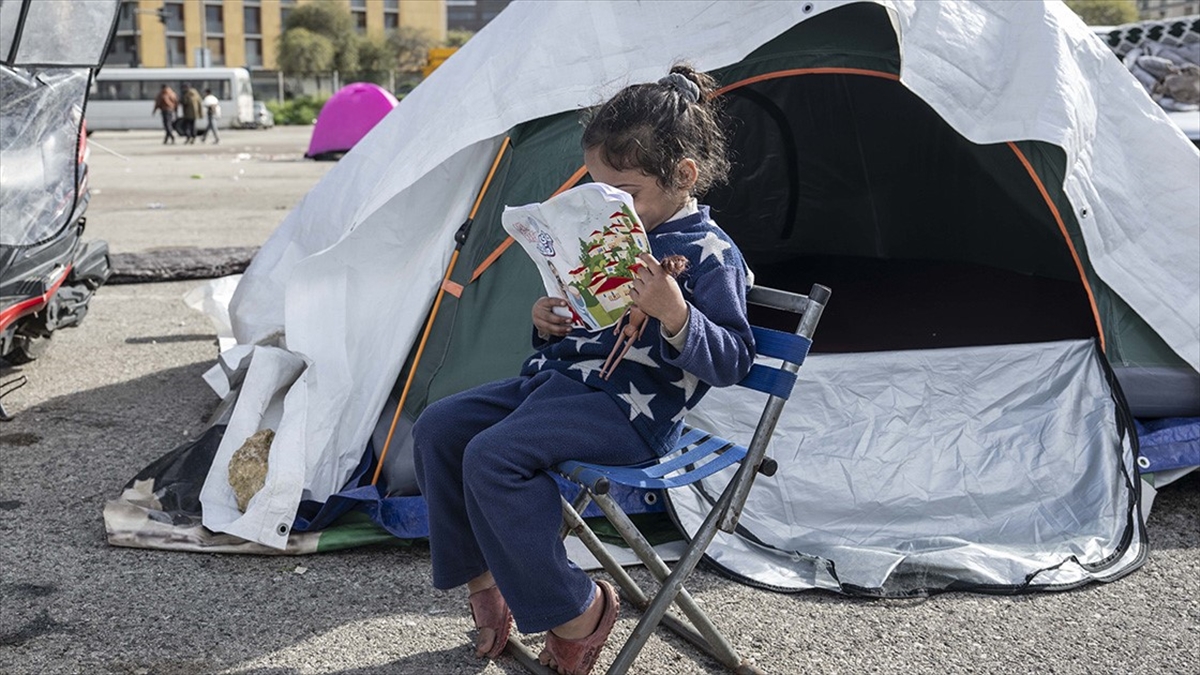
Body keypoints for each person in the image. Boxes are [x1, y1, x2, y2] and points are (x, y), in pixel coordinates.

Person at [411, 64, 754, 675]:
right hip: (563, 386)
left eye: (626, 196)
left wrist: (676, 314)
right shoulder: (613, 240)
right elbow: (594, 319)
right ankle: (486, 579)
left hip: (629, 415)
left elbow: (732, 359)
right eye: (598, 191)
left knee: (494, 456)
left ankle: (578, 608)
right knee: (439, 427)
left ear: (684, 176)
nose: (610, 209)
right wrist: (550, 320)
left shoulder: (710, 254)